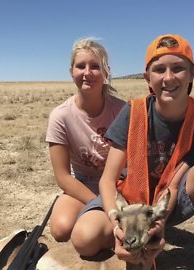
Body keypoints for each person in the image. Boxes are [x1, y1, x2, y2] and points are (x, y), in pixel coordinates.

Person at [70, 34, 194, 270]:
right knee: (83, 239)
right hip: (128, 202)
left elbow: (175, 185)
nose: (169, 78)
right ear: (147, 77)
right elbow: (108, 179)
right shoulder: (133, 112)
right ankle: (129, 240)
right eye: (159, 70)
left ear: (192, 73)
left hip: (169, 201)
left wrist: (158, 222)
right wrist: (118, 226)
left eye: (178, 68)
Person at [45, 37, 126, 243]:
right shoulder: (60, 116)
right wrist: (100, 203)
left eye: (95, 67)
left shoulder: (122, 111)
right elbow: (63, 177)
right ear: (72, 71)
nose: (87, 73)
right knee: (60, 230)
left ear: (106, 72)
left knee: (86, 236)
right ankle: (100, 223)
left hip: (119, 183)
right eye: (80, 66)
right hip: (82, 183)